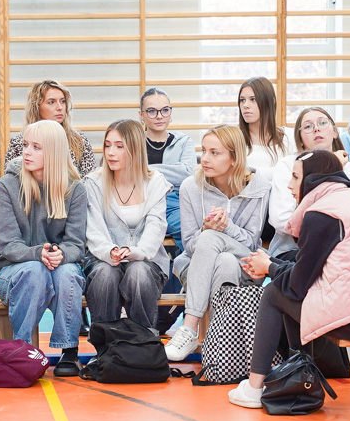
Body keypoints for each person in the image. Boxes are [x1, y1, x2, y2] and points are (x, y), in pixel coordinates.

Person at [230, 150, 350, 409]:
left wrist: (269, 266)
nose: (289, 184)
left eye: (295, 177)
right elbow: (314, 270)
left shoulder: (322, 214)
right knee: (286, 285)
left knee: (275, 293)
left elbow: (298, 286)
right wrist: (275, 266)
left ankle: (254, 388)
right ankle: (300, 377)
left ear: (313, 179)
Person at [164, 125, 271, 362]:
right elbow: (190, 244)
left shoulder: (259, 187)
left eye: (215, 153)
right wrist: (206, 229)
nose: (205, 159)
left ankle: (189, 328)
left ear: (234, 158)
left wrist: (225, 227)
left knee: (214, 240)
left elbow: (253, 243)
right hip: (197, 263)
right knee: (222, 260)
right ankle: (219, 344)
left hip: (247, 264)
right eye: (204, 151)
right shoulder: (190, 187)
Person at [0, 119, 87, 376]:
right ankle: (21, 348)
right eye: (26, 145)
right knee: (35, 270)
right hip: (14, 271)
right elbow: (8, 245)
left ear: (54, 151)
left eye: (36, 147)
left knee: (69, 273)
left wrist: (61, 254)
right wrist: (39, 254)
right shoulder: (6, 186)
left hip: (59, 266)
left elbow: (77, 244)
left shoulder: (75, 188)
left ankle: (69, 352)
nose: (26, 152)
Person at [83, 119, 171, 332]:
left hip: (146, 260)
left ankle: (143, 346)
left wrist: (136, 252)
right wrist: (109, 251)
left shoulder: (155, 181)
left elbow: (156, 225)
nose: (110, 152)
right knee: (105, 275)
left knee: (138, 273)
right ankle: (105, 349)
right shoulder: (93, 182)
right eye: (107, 145)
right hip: (102, 259)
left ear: (135, 149)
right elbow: (93, 229)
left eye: (119, 146)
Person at [268, 107, 350, 258]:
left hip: (338, 251)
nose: (316, 129)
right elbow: (281, 220)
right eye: (308, 126)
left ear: (334, 132)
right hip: (291, 251)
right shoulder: (288, 165)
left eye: (322, 123)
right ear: (300, 138)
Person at [139, 87, 195, 251]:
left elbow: (187, 173)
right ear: (141, 115)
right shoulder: (133, 143)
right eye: (151, 111)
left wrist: (144, 169)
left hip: (177, 202)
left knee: (194, 231)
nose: (159, 116)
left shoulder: (184, 141)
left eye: (165, 110)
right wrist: (172, 171)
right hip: (143, 202)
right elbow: (128, 175)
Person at [4, 80, 96, 178]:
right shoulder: (19, 143)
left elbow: (89, 182)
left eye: (63, 101)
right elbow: (9, 183)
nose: (60, 107)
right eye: (51, 102)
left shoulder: (79, 140)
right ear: (37, 107)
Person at [237, 76, 296, 181]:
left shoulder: (290, 137)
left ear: (271, 101)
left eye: (253, 99)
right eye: (242, 100)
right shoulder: (233, 139)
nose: (245, 105)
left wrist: (253, 175)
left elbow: (297, 173)